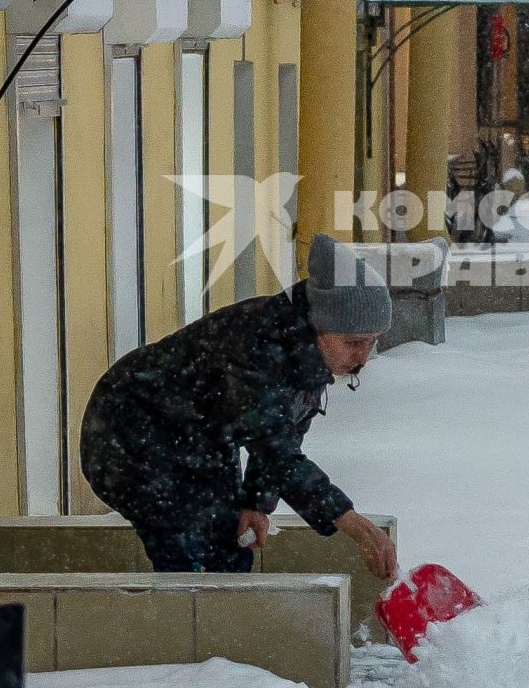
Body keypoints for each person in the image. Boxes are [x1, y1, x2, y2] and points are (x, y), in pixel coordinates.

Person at [79, 233, 400, 580]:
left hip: (197, 435)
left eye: (372, 343)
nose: (363, 358)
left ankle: (219, 620)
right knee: (183, 550)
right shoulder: (257, 345)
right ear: (320, 325)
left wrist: (256, 503)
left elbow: (284, 433)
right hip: (128, 429)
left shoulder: (305, 348)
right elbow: (271, 444)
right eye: (354, 343)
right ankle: (180, 626)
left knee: (229, 547)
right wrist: (351, 522)